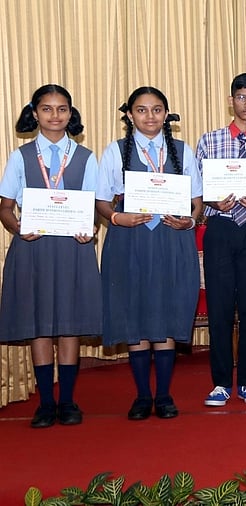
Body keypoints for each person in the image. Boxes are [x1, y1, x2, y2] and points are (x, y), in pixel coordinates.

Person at [96, 87, 203, 419]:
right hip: (131, 240)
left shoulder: (183, 151)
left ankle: (165, 396)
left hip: (172, 240)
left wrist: (190, 222)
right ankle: (143, 396)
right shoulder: (114, 152)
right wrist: (116, 217)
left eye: (157, 110)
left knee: (167, 314)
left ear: (166, 114)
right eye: (141, 110)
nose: (150, 117)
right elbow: (101, 199)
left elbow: (197, 201)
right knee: (137, 314)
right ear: (130, 115)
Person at [0, 84, 102, 428]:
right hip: (34, 247)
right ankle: (46, 402)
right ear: (34, 113)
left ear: (71, 114)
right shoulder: (21, 156)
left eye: (62, 109)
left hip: (73, 249)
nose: (55, 115)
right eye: (47, 109)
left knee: (69, 323)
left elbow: (93, 206)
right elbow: (5, 207)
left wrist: (90, 227)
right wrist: (17, 229)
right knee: (40, 323)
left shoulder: (87, 157)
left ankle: (69, 401)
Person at [196, 73, 246, 407]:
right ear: (231, 100)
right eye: (242, 98)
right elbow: (198, 191)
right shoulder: (209, 141)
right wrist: (212, 201)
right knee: (219, 307)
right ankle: (219, 382)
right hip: (219, 228)